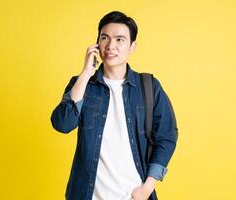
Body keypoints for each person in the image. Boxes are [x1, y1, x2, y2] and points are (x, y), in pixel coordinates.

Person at [50, 11, 178, 200]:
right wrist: (86, 73)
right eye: (105, 38)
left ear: (132, 46)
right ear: (97, 43)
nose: (111, 46)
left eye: (120, 40)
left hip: (133, 195)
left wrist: (147, 188)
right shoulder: (82, 84)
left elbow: (167, 136)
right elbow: (62, 124)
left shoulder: (149, 86)